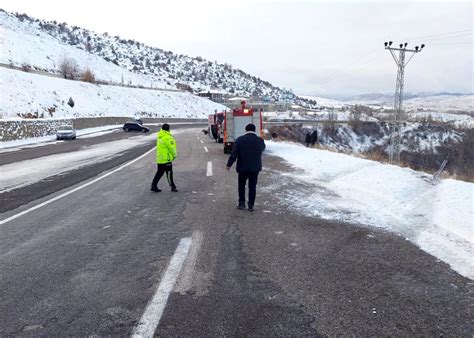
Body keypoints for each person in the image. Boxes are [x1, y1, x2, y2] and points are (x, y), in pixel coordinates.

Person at [226, 123, 266, 212]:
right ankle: (251, 205)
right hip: (254, 168)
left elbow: (234, 154)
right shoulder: (260, 140)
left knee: (241, 186)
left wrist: (229, 164)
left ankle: (241, 203)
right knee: (252, 187)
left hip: (242, 168)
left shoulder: (240, 140)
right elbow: (262, 149)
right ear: (254, 130)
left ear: (246, 130)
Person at [151, 123, 178, 192]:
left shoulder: (160, 136)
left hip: (160, 158)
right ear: (168, 129)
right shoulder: (168, 137)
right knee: (169, 173)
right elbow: (172, 148)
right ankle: (173, 187)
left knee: (159, 172)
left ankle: (153, 186)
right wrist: (174, 155)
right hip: (167, 159)